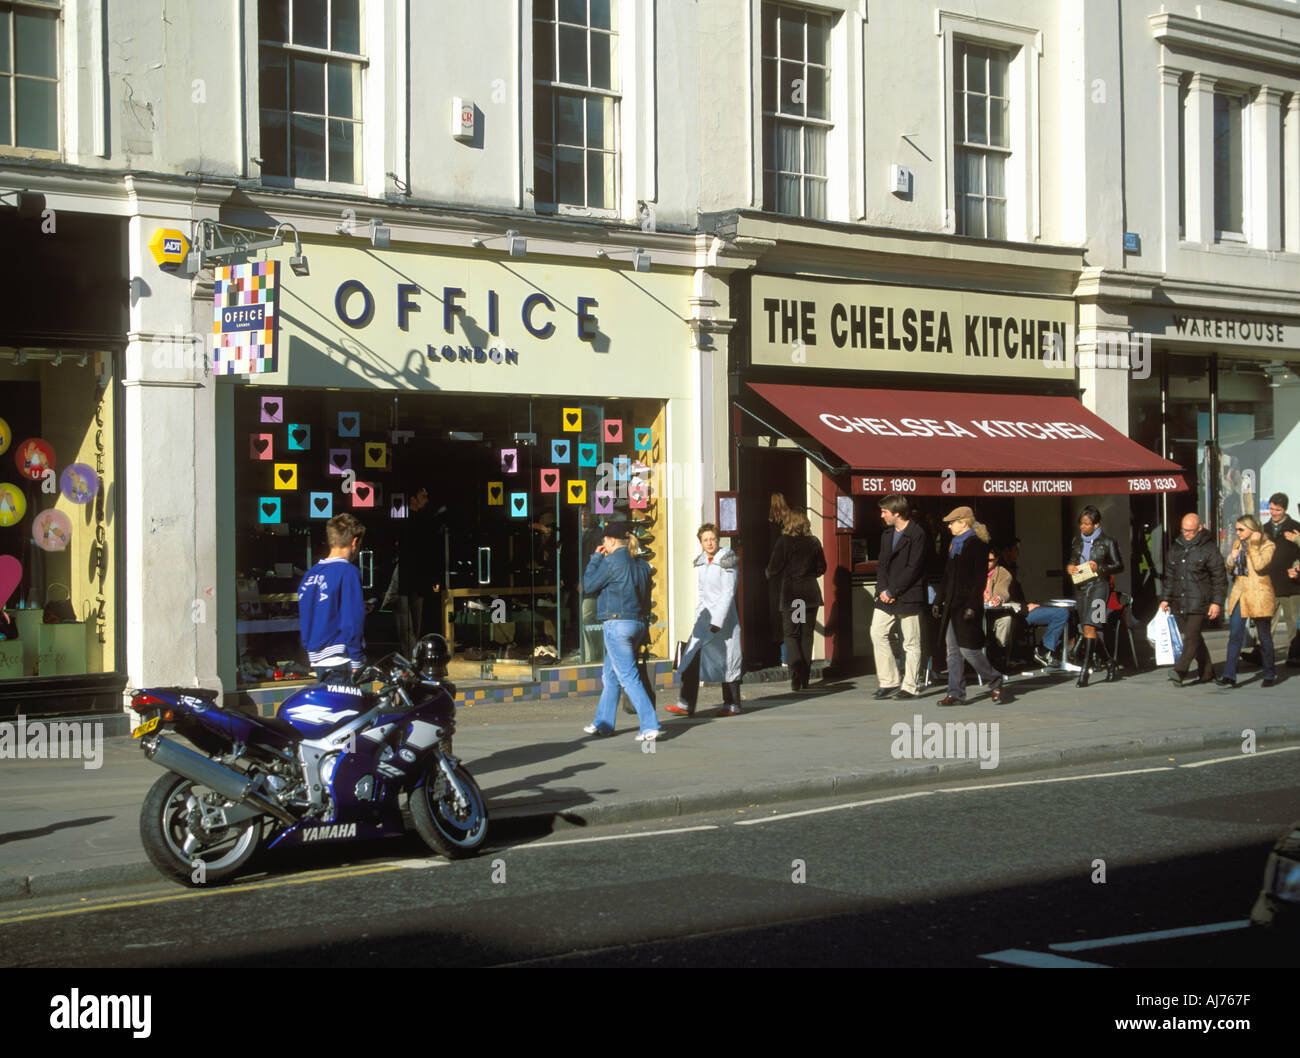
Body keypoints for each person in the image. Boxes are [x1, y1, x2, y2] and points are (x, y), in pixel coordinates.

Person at [581, 520, 659, 740]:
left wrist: (595, 558)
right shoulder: (642, 564)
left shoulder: (611, 561)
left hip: (616, 624)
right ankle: (603, 723)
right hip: (637, 623)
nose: (603, 543)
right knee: (611, 675)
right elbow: (646, 598)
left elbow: (588, 586)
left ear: (610, 541)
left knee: (628, 676)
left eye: (604, 540)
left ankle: (650, 725)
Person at [667, 523, 743, 716]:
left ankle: (732, 704)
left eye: (712, 539)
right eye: (705, 540)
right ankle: (685, 703)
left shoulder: (726, 561)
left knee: (728, 659)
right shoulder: (702, 562)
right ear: (700, 542)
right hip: (705, 619)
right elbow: (701, 594)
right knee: (690, 656)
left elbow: (728, 592)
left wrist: (717, 621)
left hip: (723, 622)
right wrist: (698, 618)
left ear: (718, 540)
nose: (709, 543)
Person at [934, 507, 1005, 705]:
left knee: (968, 650)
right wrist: (939, 600)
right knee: (953, 651)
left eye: (952, 522)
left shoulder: (976, 543)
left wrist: (973, 605)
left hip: (966, 605)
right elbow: (947, 576)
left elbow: (979, 578)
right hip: (951, 605)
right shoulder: (954, 544)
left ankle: (995, 679)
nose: (949, 526)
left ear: (963, 522)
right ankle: (955, 692)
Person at [870, 494, 927, 700]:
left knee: (911, 641)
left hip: (908, 595)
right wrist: (883, 590)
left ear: (897, 513)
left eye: (885, 511)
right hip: (886, 594)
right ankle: (889, 680)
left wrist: (893, 591)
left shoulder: (917, 534)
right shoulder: (887, 534)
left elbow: (914, 567)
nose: (881, 515)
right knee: (877, 632)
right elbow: (882, 565)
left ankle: (910, 685)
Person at [298, 513, 367, 682]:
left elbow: (306, 615)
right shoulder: (348, 572)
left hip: (318, 658)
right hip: (341, 660)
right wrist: (357, 659)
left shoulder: (310, 574)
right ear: (354, 542)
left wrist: (309, 647)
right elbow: (351, 620)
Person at [1158, 513, 1225, 686]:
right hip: (1180, 599)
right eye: (1184, 530)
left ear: (1199, 528)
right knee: (1194, 637)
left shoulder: (1209, 549)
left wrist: (1216, 602)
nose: (1187, 533)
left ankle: (1180, 669)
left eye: (1191, 531)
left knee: (1190, 635)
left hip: (1200, 600)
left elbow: (1219, 577)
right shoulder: (1176, 547)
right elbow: (1170, 575)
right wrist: (1165, 598)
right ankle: (1207, 670)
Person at [766, 511, 827, 693]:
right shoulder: (814, 541)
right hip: (809, 594)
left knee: (792, 635)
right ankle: (805, 678)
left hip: (793, 594)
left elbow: (774, 567)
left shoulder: (784, 542)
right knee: (806, 636)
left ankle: (795, 676)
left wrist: (768, 574)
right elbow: (821, 567)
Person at [984, 542, 1071, 668]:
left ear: (997, 559)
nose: (1017, 553)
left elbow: (1003, 593)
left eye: (990, 560)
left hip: (1019, 610)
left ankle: (1044, 650)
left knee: (1061, 613)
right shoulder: (979, 572)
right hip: (1011, 611)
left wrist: (1023, 605)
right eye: (1015, 549)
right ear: (1006, 552)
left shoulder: (1003, 572)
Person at [1066, 504, 1124, 687]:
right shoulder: (1077, 541)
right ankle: (1109, 661)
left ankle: (1085, 670)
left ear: (1096, 525)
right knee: (1087, 628)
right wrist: (1070, 567)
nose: (1083, 527)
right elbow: (1073, 560)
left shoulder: (1108, 542)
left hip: (1100, 586)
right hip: (1083, 587)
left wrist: (1099, 567)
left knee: (1093, 625)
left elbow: (1119, 565)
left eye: (1086, 524)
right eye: (1081, 524)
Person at [1219, 514, 1277, 688]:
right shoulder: (1239, 543)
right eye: (1237, 529)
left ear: (1253, 529)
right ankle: (1229, 674)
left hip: (1259, 593)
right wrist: (1231, 558)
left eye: (1241, 529)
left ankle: (1269, 673)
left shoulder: (1268, 544)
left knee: (1264, 635)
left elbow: (1260, 565)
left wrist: (1253, 545)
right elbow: (1230, 568)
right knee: (1234, 634)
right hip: (1240, 593)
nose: (1237, 533)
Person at [1262, 493, 1300, 666]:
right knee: (1266, 619)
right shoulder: (1264, 529)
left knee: (1292, 621)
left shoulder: (1295, 527)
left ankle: (1294, 654)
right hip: (1270, 583)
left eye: (1278, 509)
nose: (1274, 513)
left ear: (1285, 509)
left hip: (1291, 584)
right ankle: (1261, 653)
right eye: (1271, 509)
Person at [767, 492, 792, 665]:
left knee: (778, 615)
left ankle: (784, 657)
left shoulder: (772, 525)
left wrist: (769, 571)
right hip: (794, 581)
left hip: (777, 579)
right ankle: (793, 656)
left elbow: (774, 554)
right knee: (794, 617)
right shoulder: (790, 526)